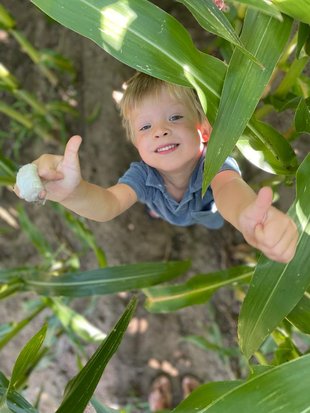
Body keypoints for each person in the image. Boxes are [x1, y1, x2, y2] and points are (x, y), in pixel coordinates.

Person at [15, 72, 298, 263]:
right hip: (165, 209)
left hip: (209, 212)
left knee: (212, 221)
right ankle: (158, 213)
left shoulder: (215, 163)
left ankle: (199, 222)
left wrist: (244, 214)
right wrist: (72, 193)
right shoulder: (142, 175)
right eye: (146, 126)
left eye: (174, 117)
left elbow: (228, 190)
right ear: (137, 143)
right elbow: (109, 204)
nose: (160, 131)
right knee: (160, 211)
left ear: (204, 130)